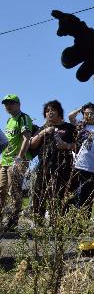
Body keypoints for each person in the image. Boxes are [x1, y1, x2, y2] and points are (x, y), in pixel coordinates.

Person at [29, 100, 76, 221]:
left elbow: (80, 146)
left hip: (63, 167)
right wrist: (42, 133)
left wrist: (66, 145)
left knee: (59, 197)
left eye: (52, 110)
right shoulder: (43, 128)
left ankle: (56, 225)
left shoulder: (69, 128)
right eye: (47, 111)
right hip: (43, 167)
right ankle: (39, 225)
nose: (49, 113)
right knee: (38, 196)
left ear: (59, 112)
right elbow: (32, 145)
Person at [0, 94, 33, 231]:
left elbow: (26, 139)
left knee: (15, 191)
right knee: (1, 190)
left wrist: (20, 158)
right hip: (5, 160)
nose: (8, 106)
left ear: (19, 104)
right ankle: (1, 220)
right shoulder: (9, 120)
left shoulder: (23, 118)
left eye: (11, 103)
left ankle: (13, 221)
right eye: (6, 104)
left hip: (17, 160)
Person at [69, 103, 94, 215]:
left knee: (87, 199)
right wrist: (81, 108)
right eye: (86, 113)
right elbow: (71, 117)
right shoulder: (81, 126)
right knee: (75, 197)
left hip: (92, 168)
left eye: (91, 113)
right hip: (78, 166)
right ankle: (72, 223)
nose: (89, 116)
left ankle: (83, 224)